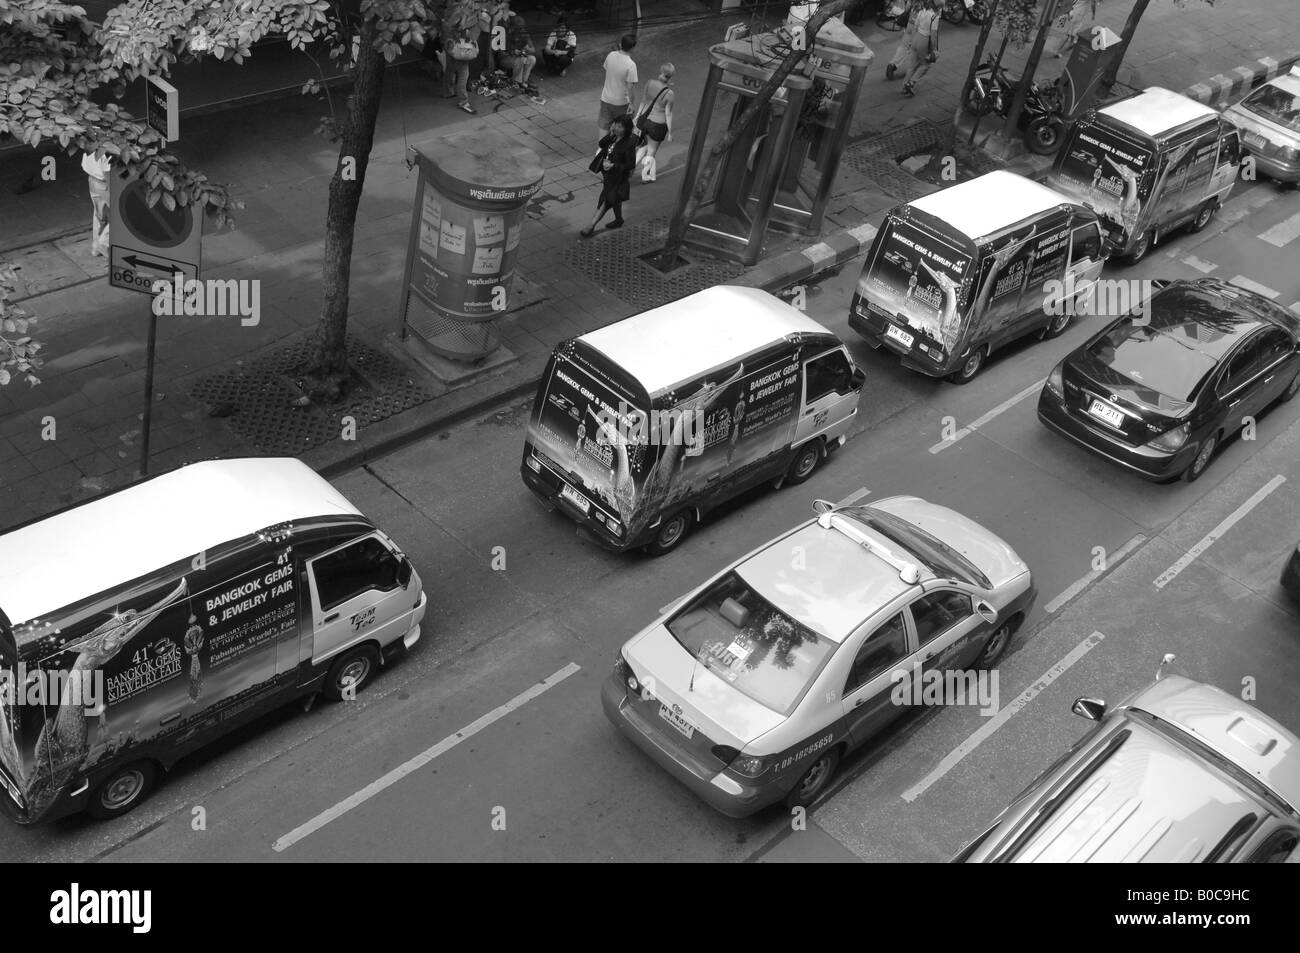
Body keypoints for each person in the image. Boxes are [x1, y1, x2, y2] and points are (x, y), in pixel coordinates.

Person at [581, 115, 638, 237]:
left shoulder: (629, 144)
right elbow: (601, 144)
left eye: (619, 126)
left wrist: (614, 166)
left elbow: (630, 164)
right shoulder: (614, 137)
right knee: (615, 200)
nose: (616, 128)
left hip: (618, 178)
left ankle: (591, 226)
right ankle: (619, 220)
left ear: (626, 128)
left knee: (606, 201)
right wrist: (611, 133)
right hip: (608, 175)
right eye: (615, 124)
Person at [634, 62, 675, 182]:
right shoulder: (670, 93)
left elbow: (643, 101)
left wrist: (637, 116)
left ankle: (629, 170)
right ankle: (645, 176)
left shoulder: (650, 83)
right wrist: (670, 132)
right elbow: (668, 113)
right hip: (658, 125)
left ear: (660, 71)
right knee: (651, 151)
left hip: (645, 121)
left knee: (643, 147)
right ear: (671, 76)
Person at [442, 0, 483, 113]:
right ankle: (463, 102)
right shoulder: (461, 13)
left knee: (450, 69)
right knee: (463, 75)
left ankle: (448, 92)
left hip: (449, 45)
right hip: (460, 48)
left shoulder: (450, 8)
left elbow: (447, 26)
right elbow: (462, 28)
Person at [598, 33, 639, 136]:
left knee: (604, 127)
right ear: (633, 48)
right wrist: (632, 104)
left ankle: (601, 150)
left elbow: (607, 68)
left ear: (621, 44)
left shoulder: (611, 55)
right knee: (622, 129)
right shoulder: (631, 65)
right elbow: (630, 87)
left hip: (606, 98)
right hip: (621, 103)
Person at [902, 0, 942, 97]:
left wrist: (911, 41)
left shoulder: (921, 12)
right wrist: (934, 49)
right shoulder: (934, 17)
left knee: (912, 65)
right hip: (924, 40)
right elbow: (933, 35)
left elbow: (915, 28)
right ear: (937, 7)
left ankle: (904, 86)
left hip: (916, 37)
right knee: (926, 64)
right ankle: (911, 83)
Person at [81, 149, 112, 256]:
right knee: (118, 214)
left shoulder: (90, 144)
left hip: (93, 180)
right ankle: (103, 243)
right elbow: (107, 171)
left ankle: (95, 247)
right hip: (104, 184)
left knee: (99, 214)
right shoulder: (108, 149)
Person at [883, 0, 922, 80]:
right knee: (917, 49)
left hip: (910, 23)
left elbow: (908, 7)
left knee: (904, 47)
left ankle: (892, 65)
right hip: (920, 26)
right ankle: (913, 69)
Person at [501, 14, 537, 90]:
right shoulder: (507, 34)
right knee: (521, 60)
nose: (521, 30)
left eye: (522, 27)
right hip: (506, 59)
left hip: (519, 57)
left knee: (532, 59)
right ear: (513, 27)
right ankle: (515, 81)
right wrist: (513, 52)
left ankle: (524, 81)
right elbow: (501, 54)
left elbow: (533, 50)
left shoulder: (524, 34)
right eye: (518, 28)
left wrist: (525, 49)